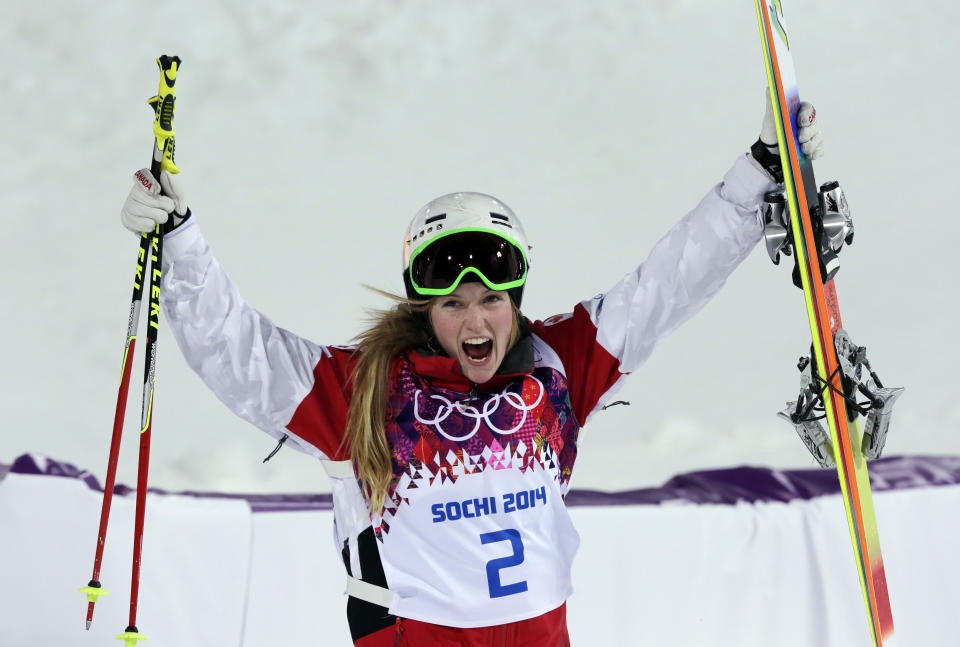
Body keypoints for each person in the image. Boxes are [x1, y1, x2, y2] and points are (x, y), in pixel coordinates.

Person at [119, 95, 824, 646]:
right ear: (424, 310)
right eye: (453, 304)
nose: (476, 322)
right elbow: (238, 351)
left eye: (492, 300)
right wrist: (180, 240)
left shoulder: (558, 365)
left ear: (515, 302)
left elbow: (666, 284)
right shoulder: (367, 391)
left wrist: (761, 168)